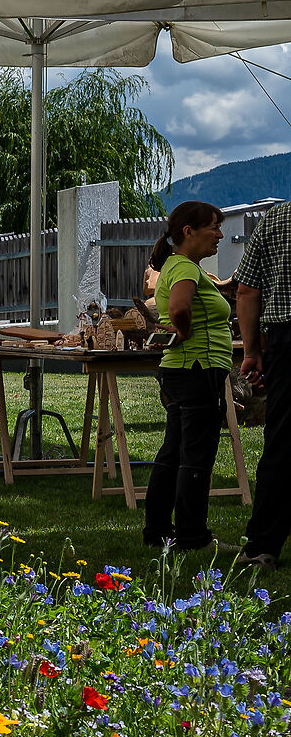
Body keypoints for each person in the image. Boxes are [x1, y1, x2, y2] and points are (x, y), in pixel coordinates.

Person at [145, 200, 232, 554]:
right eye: (213, 227)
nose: (220, 234)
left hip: (181, 370)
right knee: (196, 455)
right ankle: (193, 537)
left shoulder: (177, 266)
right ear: (188, 232)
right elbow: (180, 308)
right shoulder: (185, 269)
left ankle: (159, 533)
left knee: (173, 452)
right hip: (198, 369)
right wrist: (184, 330)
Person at [233, 199, 291, 571]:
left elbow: (247, 291)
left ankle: (263, 546)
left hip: (287, 341)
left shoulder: (276, 219)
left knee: (283, 442)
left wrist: (252, 350)